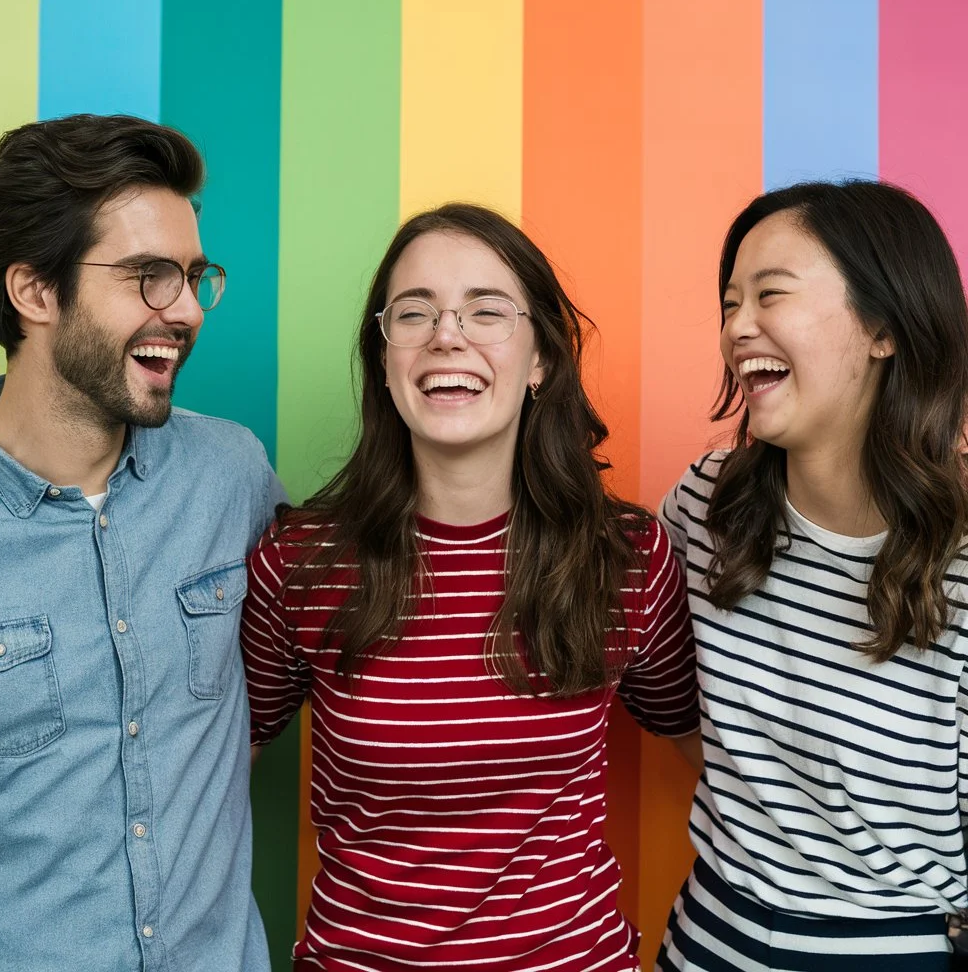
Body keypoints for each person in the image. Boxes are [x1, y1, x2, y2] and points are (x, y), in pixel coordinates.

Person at [242, 203, 702, 971]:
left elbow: (726, 758)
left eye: (486, 311)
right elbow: (208, 772)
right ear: (385, 357)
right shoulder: (301, 562)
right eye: (414, 313)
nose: (446, 335)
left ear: (540, 360)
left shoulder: (626, 560)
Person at [0, 114, 284, 971]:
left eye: (193, 277)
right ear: (35, 292)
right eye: (147, 276)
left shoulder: (230, 477)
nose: (184, 312)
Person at [656, 180, 968, 971]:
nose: (736, 327)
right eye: (729, 303)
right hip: (709, 934)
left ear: (883, 328)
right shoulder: (706, 503)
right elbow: (671, 700)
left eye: (770, 295)